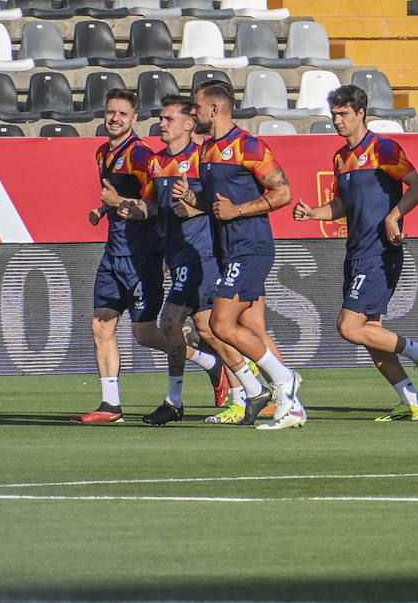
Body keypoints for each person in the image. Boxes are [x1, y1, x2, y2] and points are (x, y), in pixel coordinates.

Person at [293, 84, 418, 421]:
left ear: (361, 113)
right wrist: (314, 212)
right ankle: (413, 402)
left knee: (348, 327)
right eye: (333, 114)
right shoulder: (341, 157)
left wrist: (394, 215)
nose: (337, 120)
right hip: (356, 250)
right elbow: (343, 204)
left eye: (344, 113)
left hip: (380, 251)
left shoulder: (384, 149)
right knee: (371, 336)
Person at [172, 80, 304, 429]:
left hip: (251, 247)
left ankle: (283, 381)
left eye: (196, 107)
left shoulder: (250, 146)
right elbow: (215, 206)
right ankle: (284, 399)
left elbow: (283, 193)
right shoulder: (205, 151)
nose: (193, 112)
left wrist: (240, 210)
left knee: (219, 323)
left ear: (214, 109)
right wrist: (192, 198)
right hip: (227, 251)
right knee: (246, 326)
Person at [143, 95, 256, 426]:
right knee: (209, 329)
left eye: (169, 118)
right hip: (178, 257)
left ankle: (176, 400)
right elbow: (155, 208)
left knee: (171, 321)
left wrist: (195, 207)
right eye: (161, 118)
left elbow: (221, 202)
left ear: (189, 124)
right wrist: (130, 206)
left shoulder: (204, 157)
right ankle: (248, 391)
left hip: (204, 254)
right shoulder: (155, 163)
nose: (162, 124)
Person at [72, 89, 175, 424]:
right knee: (101, 324)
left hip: (142, 256)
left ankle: (209, 361)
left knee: (144, 335)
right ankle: (110, 406)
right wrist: (103, 208)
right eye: (110, 112)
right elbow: (122, 196)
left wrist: (116, 204)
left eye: (122, 113)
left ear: (135, 119)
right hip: (114, 253)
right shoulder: (103, 153)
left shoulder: (142, 155)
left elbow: (157, 205)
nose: (114, 118)